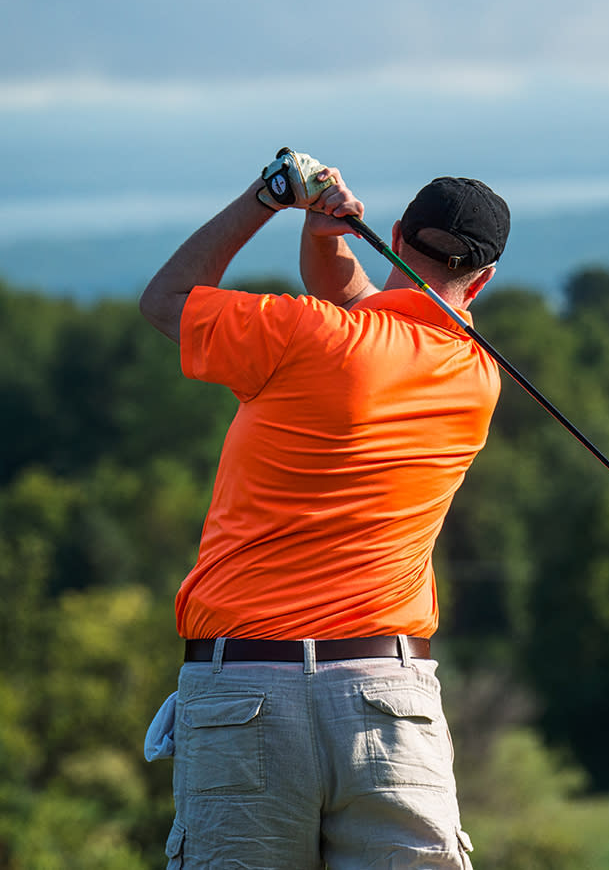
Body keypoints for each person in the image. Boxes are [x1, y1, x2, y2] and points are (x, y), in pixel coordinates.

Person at [139, 148, 510, 869]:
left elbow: (166, 300)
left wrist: (269, 197)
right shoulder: (475, 376)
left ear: (397, 235)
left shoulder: (305, 335)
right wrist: (321, 238)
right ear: (485, 277)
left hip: (242, 692)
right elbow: (372, 313)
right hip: (388, 704)